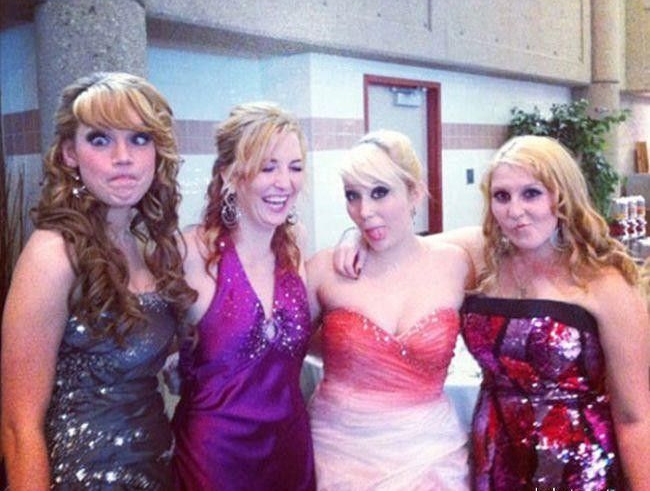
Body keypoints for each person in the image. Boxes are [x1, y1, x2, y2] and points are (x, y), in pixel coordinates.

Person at [335, 135, 650, 490]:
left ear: (561, 195)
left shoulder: (605, 283)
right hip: (496, 457)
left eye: (531, 193)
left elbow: (635, 418)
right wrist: (354, 237)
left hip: (577, 467)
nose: (515, 211)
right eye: (502, 196)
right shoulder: (481, 254)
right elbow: (400, 246)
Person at [1, 72, 196, 489]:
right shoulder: (53, 253)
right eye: (101, 139)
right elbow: (18, 427)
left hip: (156, 471)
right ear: (70, 153)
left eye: (139, 138)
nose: (123, 157)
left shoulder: (145, 247)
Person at [307, 130, 470, 490]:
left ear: (414, 192)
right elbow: (280, 350)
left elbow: (515, 236)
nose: (364, 212)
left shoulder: (456, 263)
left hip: (432, 455)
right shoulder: (324, 270)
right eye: (353, 195)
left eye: (379, 192)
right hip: (339, 456)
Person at [171, 102, 316, 490]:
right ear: (229, 174)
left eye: (295, 167)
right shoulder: (190, 252)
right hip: (215, 461)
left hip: (290, 452)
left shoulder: (296, 247)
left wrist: (356, 242)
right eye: (268, 167)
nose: (285, 182)